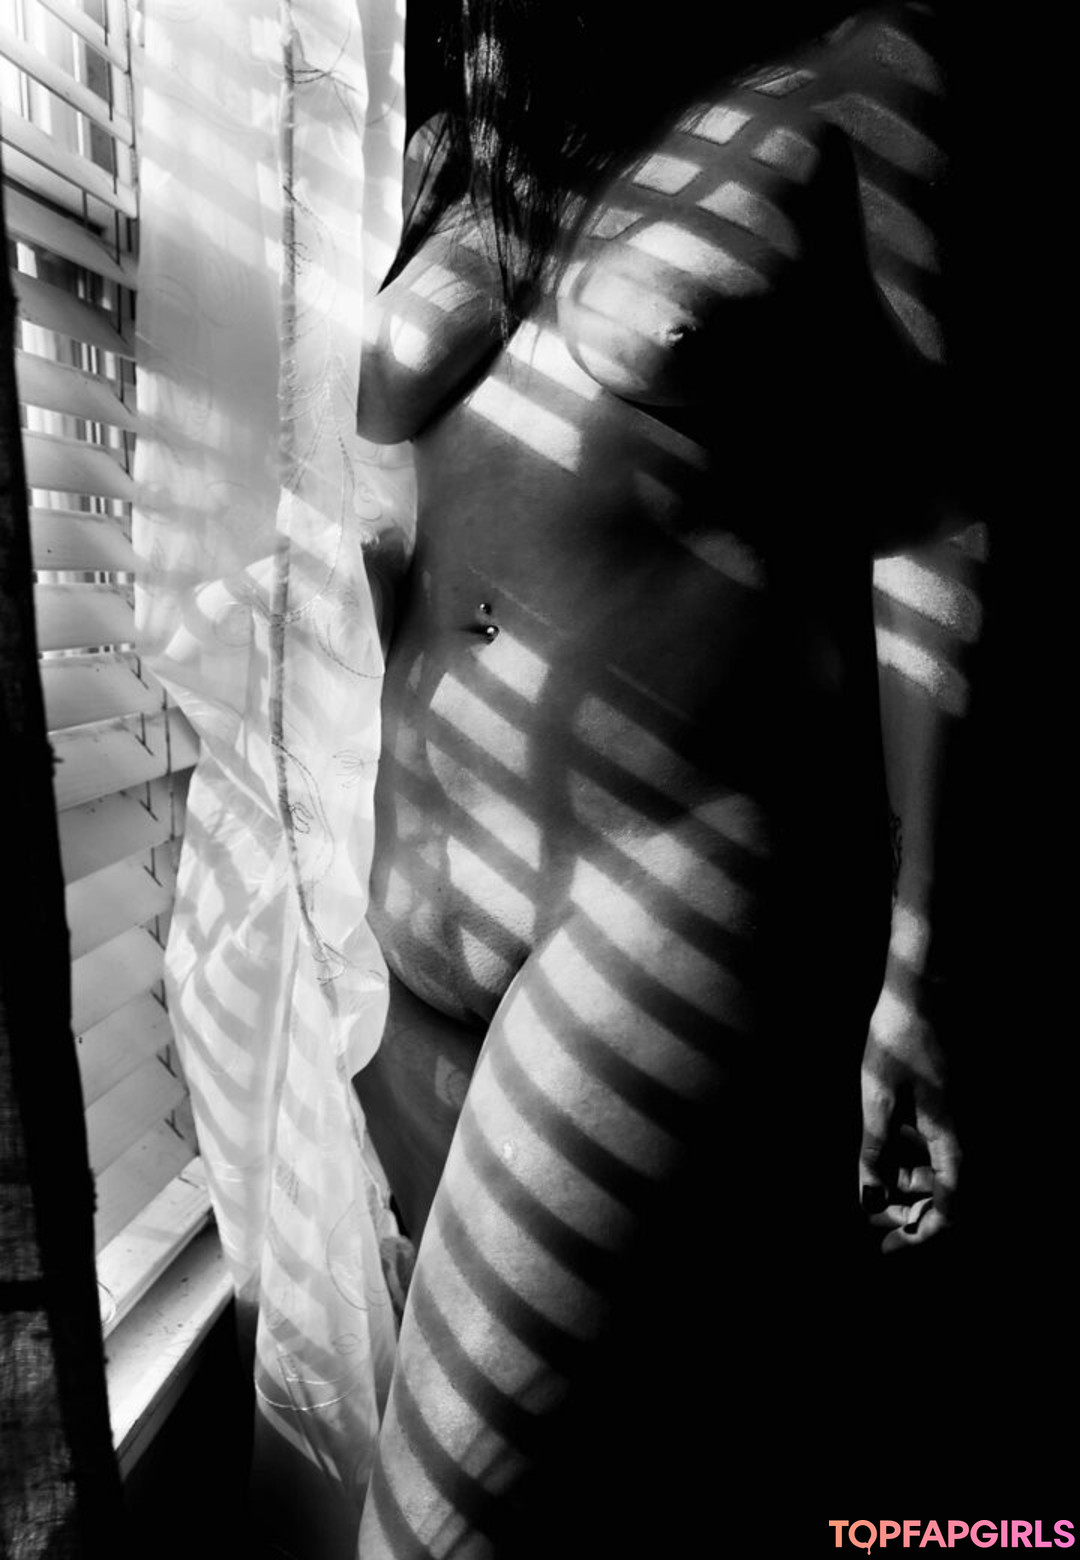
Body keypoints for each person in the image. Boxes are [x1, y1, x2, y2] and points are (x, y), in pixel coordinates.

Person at [353, 2, 983, 1553]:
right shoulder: (461, 143)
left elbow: (931, 528)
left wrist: (919, 968)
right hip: (414, 895)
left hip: (649, 899)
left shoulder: (857, 78)